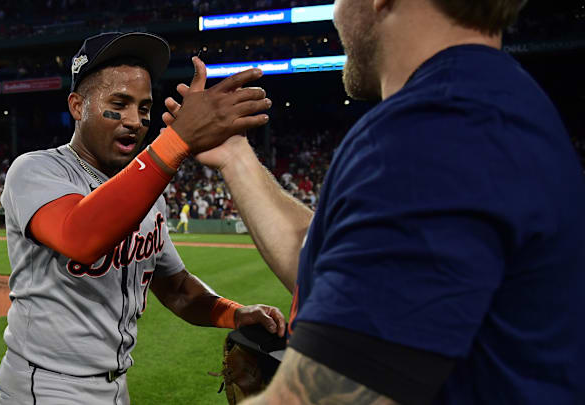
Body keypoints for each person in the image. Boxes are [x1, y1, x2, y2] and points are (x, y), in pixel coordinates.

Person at [163, 0, 585, 403]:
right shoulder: (489, 105)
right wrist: (234, 156)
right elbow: (335, 266)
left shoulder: (433, 131)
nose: (335, 14)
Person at [0, 31, 282, 405]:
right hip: (48, 385)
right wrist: (177, 140)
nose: (135, 120)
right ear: (78, 106)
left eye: (144, 108)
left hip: (116, 386)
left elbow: (178, 289)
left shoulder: (147, 191)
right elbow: (78, 236)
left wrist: (235, 313)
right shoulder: (36, 170)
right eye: (120, 103)